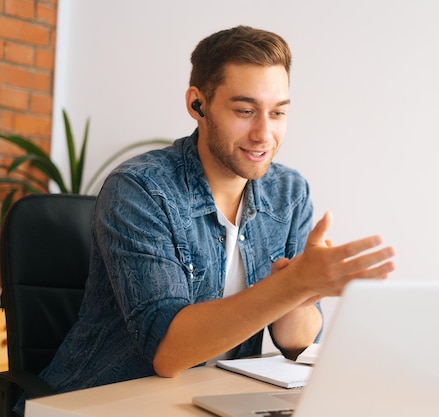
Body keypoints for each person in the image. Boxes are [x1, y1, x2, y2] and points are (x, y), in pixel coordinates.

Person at [16, 25, 396, 414]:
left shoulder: (288, 192)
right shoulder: (140, 189)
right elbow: (168, 353)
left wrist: (301, 292)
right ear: (198, 104)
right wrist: (291, 285)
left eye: (278, 112)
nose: (265, 133)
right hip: (100, 402)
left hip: (214, 400)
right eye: (245, 111)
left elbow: (295, 341)